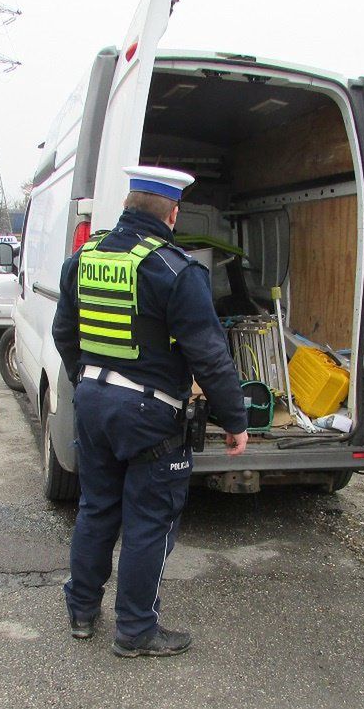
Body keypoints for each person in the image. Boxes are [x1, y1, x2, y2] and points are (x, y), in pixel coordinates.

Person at [52, 165, 249, 658]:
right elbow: (209, 354)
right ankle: (136, 631)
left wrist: (90, 380)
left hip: (92, 401)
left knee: (97, 508)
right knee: (149, 521)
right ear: (173, 212)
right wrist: (235, 420)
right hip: (149, 414)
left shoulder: (84, 257)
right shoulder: (174, 270)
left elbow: (63, 332)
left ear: (127, 205)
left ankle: (81, 611)